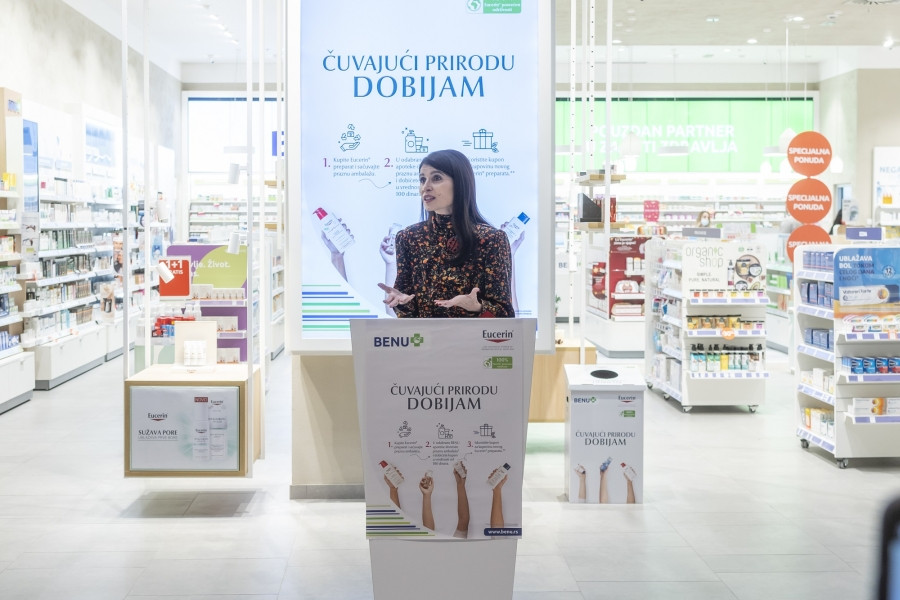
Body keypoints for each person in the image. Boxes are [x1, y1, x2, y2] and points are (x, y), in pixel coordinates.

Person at [377, 149, 514, 318]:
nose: (426, 187)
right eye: (422, 179)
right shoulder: (408, 238)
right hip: (424, 335)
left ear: (460, 183)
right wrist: (403, 303)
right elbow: (408, 315)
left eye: (436, 178)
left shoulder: (491, 240)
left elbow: (505, 315)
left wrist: (477, 307)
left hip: (472, 335)